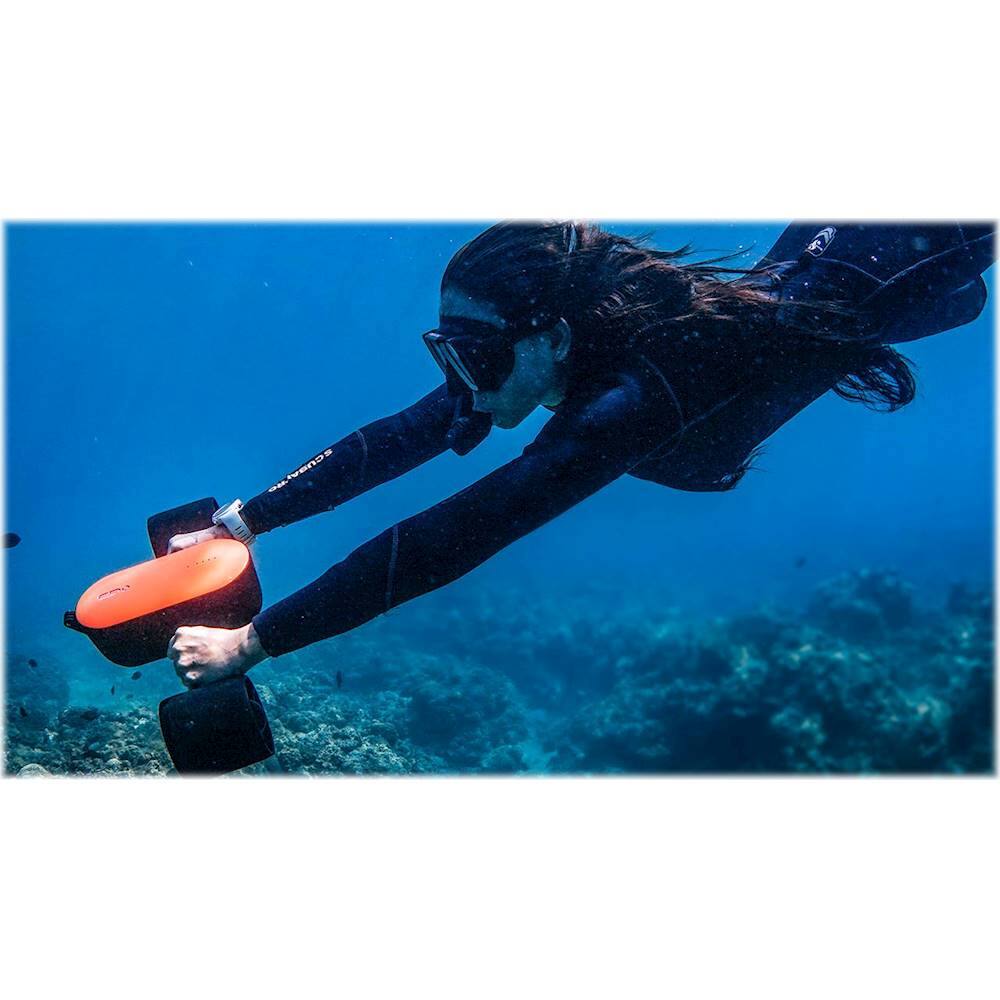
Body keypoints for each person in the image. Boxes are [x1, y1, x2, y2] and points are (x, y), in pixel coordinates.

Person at [165, 220, 995, 689]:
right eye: (448, 350)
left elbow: (461, 531)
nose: (460, 379)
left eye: (476, 354)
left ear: (555, 338)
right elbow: (408, 432)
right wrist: (242, 523)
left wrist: (253, 642)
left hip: (916, 251)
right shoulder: (543, 349)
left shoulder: (629, 401)